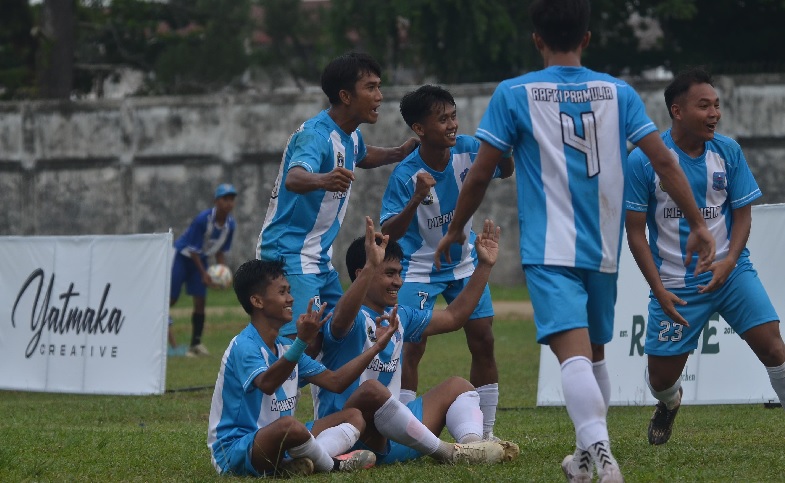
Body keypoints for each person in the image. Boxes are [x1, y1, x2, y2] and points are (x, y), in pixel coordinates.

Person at [433, 1, 716, 481]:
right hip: (603, 249)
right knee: (595, 355)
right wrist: (702, 224)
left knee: (573, 357)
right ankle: (584, 461)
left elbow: (480, 174)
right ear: (587, 39)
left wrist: (457, 227)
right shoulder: (619, 93)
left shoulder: (513, 94)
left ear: (536, 39)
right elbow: (666, 163)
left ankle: (603, 457)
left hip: (550, 250)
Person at [625, 67, 785, 446]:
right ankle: (669, 403)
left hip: (732, 273)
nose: (714, 113)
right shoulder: (643, 161)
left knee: (775, 349)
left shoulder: (727, 151)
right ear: (677, 111)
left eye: (716, 105)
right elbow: (635, 233)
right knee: (660, 380)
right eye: (704, 106)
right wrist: (659, 290)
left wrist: (730, 261)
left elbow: (743, 213)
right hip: (677, 286)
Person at [313, 216, 519, 466]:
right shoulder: (347, 318)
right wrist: (370, 267)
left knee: (459, 386)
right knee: (372, 391)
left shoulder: (401, 316)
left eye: (400, 273)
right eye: (389, 273)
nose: (398, 282)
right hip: (348, 438)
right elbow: (341, 320)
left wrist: (484, 266)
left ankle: (472, 446)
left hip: (393, 436)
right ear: (362, 273)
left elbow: (454, 317)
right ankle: (446, 452)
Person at [379, 85, 514, 441]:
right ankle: (403, 432)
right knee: (411, 343)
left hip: (464, 262)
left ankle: (485, 436)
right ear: (419, 129)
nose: (452, 124)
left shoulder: (469, 149)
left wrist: (508, 144)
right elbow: (389, 231)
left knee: (483, 339)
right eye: (443, 119)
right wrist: (416, 199)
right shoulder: (405, 175)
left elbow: (506, 167)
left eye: (453, 116)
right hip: (418, 268)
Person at [256, 52, 418, 345]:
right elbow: (294, 178)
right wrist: (323, 179)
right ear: (345, 95)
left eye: (379, 86)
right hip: (289, 252)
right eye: (371, 87)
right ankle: (264, 385)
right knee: (300, 342)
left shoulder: (350, 135)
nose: (379, 96)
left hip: (317, 257)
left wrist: (398, 153)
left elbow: (364, 155)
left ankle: (334, 391)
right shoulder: (315, 136)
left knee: (345, 330)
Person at [206, 256, 397, 477]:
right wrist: (302, 342)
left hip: (283, 441)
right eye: (282, 292)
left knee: (353, 416)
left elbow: (335, 382)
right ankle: (333, 465)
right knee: (289, 425)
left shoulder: (286, 347)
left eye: (289, 291)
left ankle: (298, 464)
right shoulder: (244, 345)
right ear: (257, 301)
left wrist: (375, 348)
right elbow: (268, 383)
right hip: (235, 450)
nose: (290, 299)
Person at [169, 183, 237, 358]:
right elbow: (192, 249)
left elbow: (220, 251)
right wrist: (204, 274)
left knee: (200, 302)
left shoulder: (230, 225)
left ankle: (195, 344)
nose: (229, 203)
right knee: (171, 299)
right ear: (216, 201)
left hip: (201, 259)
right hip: (183, 257)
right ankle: (151, 334)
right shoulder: (203, 219)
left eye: (231, 199)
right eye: (225, 199)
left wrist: (223, 273)